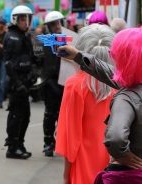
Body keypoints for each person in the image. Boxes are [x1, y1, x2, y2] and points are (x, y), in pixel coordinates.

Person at [57, 27, 142, 183]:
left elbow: (71, 136)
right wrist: (77, 56)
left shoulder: (125, 95)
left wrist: (122, 154)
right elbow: (107, 71)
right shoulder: (128, 85)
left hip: (98, 167)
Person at [55, 24, 116, 184]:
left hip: (85, 164)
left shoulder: (75, 85)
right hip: (118, 164)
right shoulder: (123, 85)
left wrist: (65, 175)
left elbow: (70, 137)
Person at [3, 5, 36, 159]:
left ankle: (19, 143)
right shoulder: (11, 37)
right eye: (23, 19)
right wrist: (18, 84)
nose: (26, 22)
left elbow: (29, 58)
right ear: (15, 20)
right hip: (16, 83)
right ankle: (12, 146)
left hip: (24, 81)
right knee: (16, 115)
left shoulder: (25, 36)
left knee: (25, 116)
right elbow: (8, 63)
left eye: (28, 19)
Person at [42, 11, 65, 157]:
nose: (57, 26)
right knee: (50, 114)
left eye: (58, 22)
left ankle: (60, 142)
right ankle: (48, 142)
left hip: (65, 83)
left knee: (63, 116)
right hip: (50, 83)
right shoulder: (45, 42)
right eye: (53, 23)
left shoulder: (69, 39)